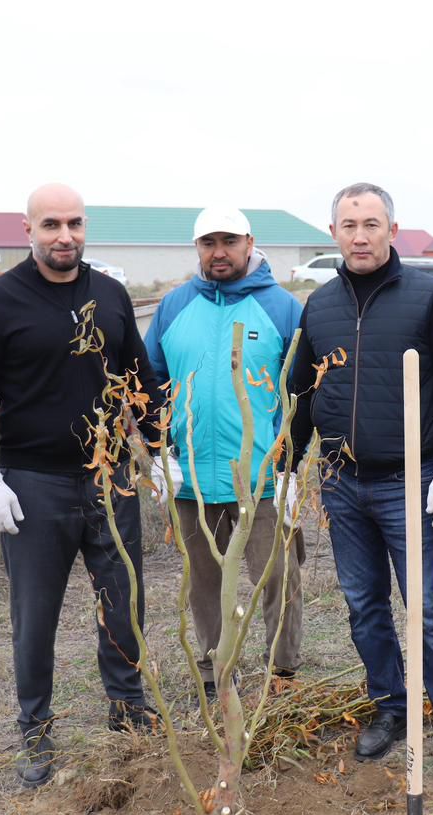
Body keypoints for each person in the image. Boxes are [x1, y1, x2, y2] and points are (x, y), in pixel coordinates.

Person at [0, 183, 165, 789]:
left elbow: (138, 376)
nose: (64, 235)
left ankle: (128, 714)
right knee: (35, 616)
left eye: (74, 223)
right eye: (51, 224)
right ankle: (37, 732)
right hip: (33, 483)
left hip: (109, 480)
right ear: (28, 231)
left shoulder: (110, 294)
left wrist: (159, 445)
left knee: (123, 605)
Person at [287, 183, 433, 788]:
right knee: (364, 605)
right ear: (334, 233)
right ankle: (391, 708)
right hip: (341, 482)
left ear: (392, 230)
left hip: (410, 479)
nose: (361, 235)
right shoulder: (318, 307)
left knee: (428, 607)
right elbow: (300, 394)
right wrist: (287, 471)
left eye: (372, 224)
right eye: (349, 225)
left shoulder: (429, 296)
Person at [142, 206, 305, 702]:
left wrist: (291, 465)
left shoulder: (282, 308)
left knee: (277, 576)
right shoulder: (173, 308)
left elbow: (304, 391)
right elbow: (149, 384)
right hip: (190, 478)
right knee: (204, 583)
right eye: (208, 242)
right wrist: (158, 450)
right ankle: (217, 672)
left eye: (229, 241)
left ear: (249, 242)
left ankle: (283, 671)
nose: (219, 252)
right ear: (196, 248)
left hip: (261, 478)